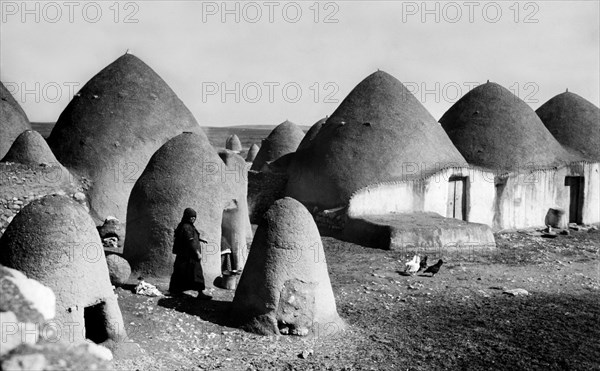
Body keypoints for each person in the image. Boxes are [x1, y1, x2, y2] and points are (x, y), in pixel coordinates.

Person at [168, 208, 212, 300]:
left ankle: (175, 291)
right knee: (196, 273)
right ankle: (200, 293)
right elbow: (190, 241)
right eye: (191, 217)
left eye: (194, 217)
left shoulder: (186, 226)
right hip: (190, 255)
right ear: (186, 216)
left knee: (180, 273)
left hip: (184, 255)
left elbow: (189, 238)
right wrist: (197, 253)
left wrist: (200, 239)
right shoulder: (186, 227)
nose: (193, 219)